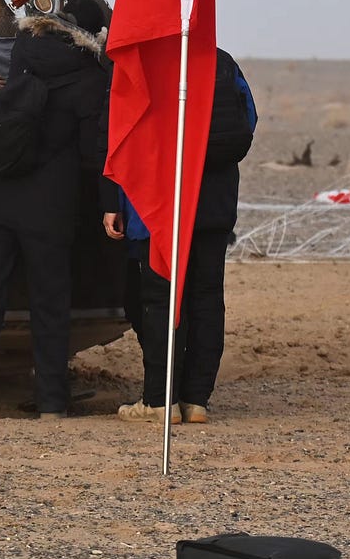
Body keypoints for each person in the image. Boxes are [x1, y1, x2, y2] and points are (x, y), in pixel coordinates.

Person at [0, 2, 110, 420]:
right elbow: (92, 150)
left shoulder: (24, 51)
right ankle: (52, 401)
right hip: (49, 204)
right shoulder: (90, 77)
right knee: (50, 302)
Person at [105, 48, 257, 423]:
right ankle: (196, 400)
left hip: (161, 201)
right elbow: (248, 120)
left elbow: (126, 131)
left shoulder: (149, 60)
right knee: (207, 297)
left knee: (160, 300)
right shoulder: (222, 61)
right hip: (215, 201)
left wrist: (115, 200)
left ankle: (160, 400)